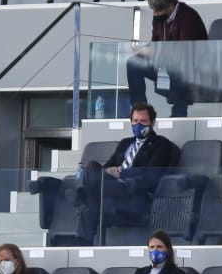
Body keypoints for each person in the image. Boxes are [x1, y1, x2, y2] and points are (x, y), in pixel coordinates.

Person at [76, 103, 179, 245]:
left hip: (133, 192)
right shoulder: (125, 143)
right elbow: (107, 166)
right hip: (111, 189)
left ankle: (81, 196)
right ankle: (82, 244)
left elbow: (152, 174)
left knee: (89, 203)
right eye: (135, 121)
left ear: (152, 123)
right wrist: (108, 171)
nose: (138, 125)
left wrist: (122, 174)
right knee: (92, 166)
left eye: (143, 121)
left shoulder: (161, 144)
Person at [125, 0, 208, 117]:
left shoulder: (189, 18)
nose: (155, 14)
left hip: (190, 69)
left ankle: (178, 114)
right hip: (165, 67)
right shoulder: (159, 18)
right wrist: (142, 50)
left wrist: (153, 52)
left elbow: (184, 54)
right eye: (153, 10)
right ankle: (139, 110)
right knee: (133, 63)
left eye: (158, 10)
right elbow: (155, 42)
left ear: (170, 5)